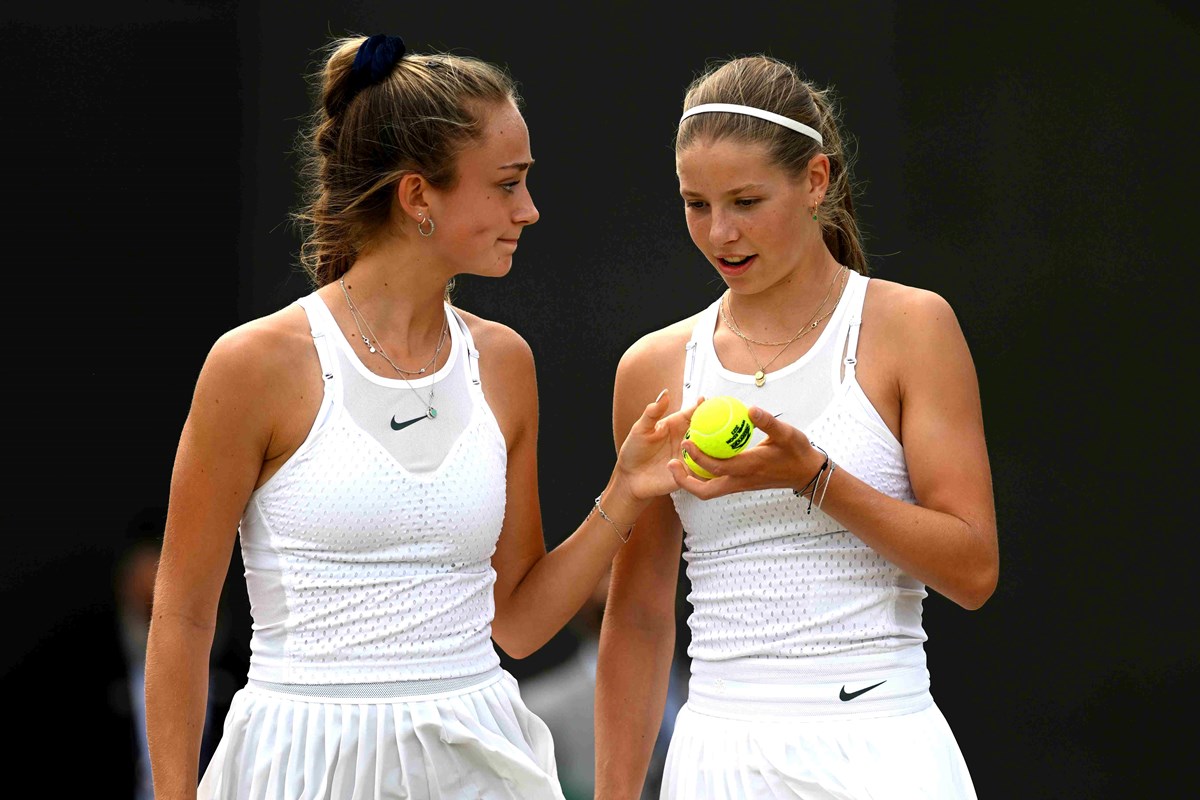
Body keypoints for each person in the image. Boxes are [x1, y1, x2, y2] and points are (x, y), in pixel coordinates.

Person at [144, 33, 697, 800]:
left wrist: (626, 491)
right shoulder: (254, 366)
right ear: (417, 198)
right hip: (298, 764)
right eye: (507, 184)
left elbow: (520, 623)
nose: (529, 210)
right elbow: (180, 620)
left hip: (478, 760)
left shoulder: (505, 363)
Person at [594, 54, 998, 799]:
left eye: (747, 201)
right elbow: (642, 615)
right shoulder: (651, 367)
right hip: (715, 760)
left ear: (816, 181)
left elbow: (973, 571)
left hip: (885, 752)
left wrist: (813, 478)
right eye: (695, 204)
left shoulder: (912, 327)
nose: (720, 233)